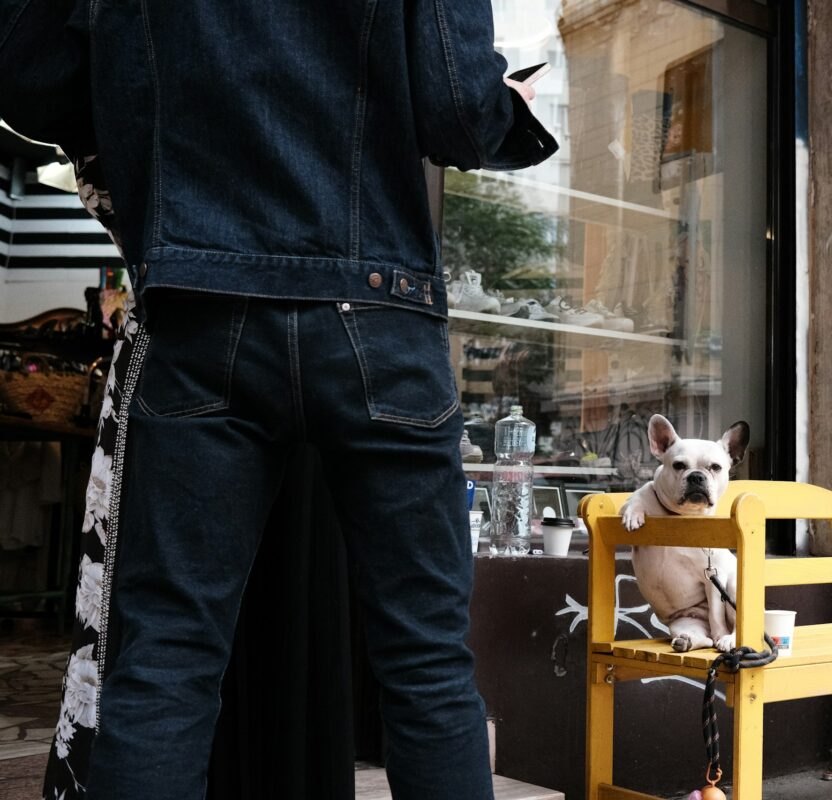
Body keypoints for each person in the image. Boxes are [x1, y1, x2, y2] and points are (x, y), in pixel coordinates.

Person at [2, 2, 557, 798]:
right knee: (426, 661)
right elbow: (460, 112)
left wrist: (153, 105)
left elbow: (26, 77)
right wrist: (515, 113)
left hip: (198, 302)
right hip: (379, 307)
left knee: (165, 659)